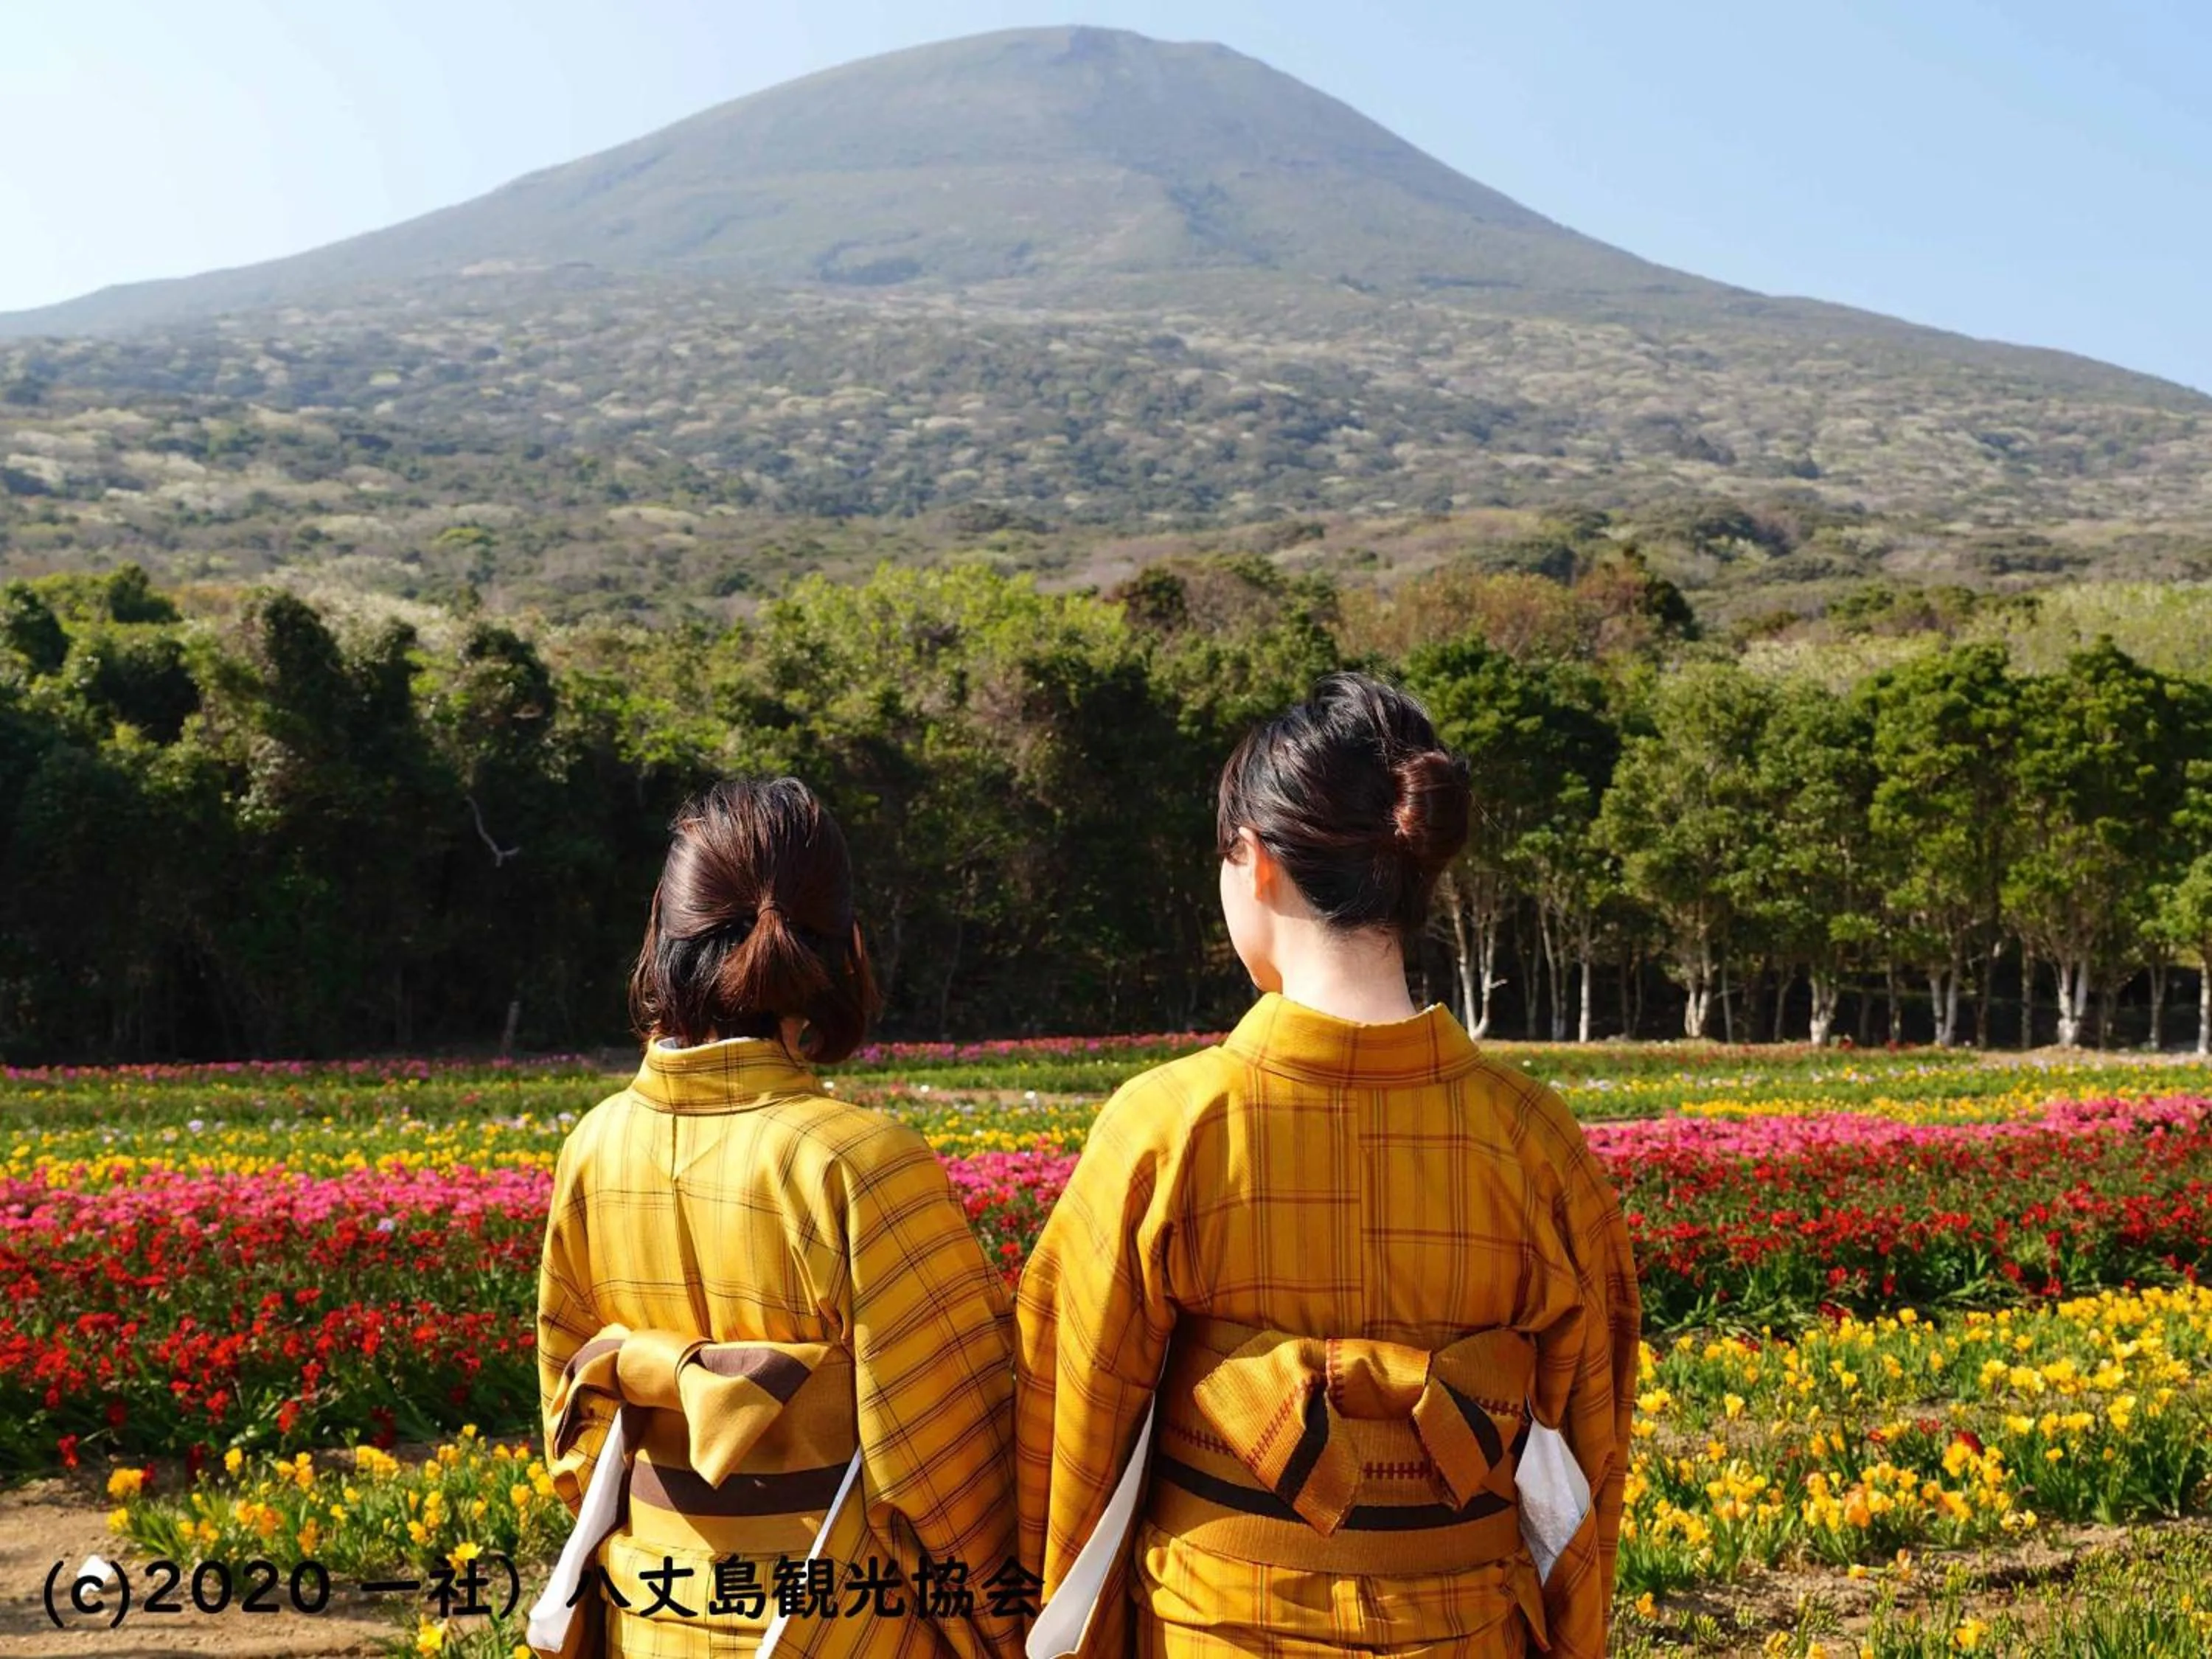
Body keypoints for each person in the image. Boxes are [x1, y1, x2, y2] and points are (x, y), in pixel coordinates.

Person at [1014, 672, 1640, 1659]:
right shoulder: (1533, 1137)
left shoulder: (1171, 1124)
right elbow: (1586, 1450)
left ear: (1255, 863)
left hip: (1216, 1626)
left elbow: (1070, 1429)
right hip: (1467, 1628)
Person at [535, 776, 1021, 1659]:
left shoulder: (593, 1148)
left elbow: (575, 1444)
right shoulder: (860, 1162)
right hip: (843, 1627)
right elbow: (948, 1468)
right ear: (844, 949)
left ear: (664, 936)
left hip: (652, 1616)